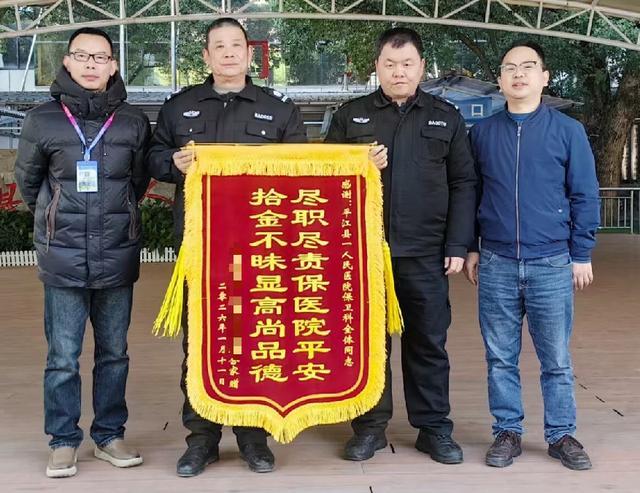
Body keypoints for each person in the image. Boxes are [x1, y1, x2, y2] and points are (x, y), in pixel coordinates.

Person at [146, 18, 306, 477]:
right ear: (207, 56)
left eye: (237, 45)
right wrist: (173, 163)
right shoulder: (180, 106)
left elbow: (303, 169)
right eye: (220, 46)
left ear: (250, 54)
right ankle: (202, 439)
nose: (229, 53)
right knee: (201, 340)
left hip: (262, 249)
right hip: (201, 248)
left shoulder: (278, 108)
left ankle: (254, 438)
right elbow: (153, 158)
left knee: (256, 339)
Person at [325, 27, 477, 464]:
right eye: (390, 64)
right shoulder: (351, 116)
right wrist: (356, 164)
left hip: (426, 253)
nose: (399, 72)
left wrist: (458, 243)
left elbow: (464, 183)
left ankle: (434, 429)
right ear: (377, 67)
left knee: (428, 341)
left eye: (407, 64)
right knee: (369, 344)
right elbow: (324, 177)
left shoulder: (446, 117)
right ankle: (369, 428)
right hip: (363, 253)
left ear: (421, 67)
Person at [15, 27, 150, 478]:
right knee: (62, 357)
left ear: (113, 65)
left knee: (114, 354)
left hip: (116, 254)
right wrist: (56, 219)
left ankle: (109, 435)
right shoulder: (42, 120)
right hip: (63, 256)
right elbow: (29, 184)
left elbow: (136, 183)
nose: (92, 64)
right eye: (82, 55)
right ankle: (63, 440)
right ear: (67, 62)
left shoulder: (133, 121)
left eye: (101, 57)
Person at [465, 41, 600, 471]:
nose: (519, 74)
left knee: (556, 358)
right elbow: (471, 194)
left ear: (544, 77)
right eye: (510, 68)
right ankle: (507, 431)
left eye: (528, 67)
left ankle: (561, 434)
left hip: (552, 262)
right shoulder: (482, 134)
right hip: (497, 262)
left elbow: (584, 194)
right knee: (500, 357)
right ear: (500, 80)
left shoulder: (568, 131)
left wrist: (582, 252)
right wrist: (471, 246)